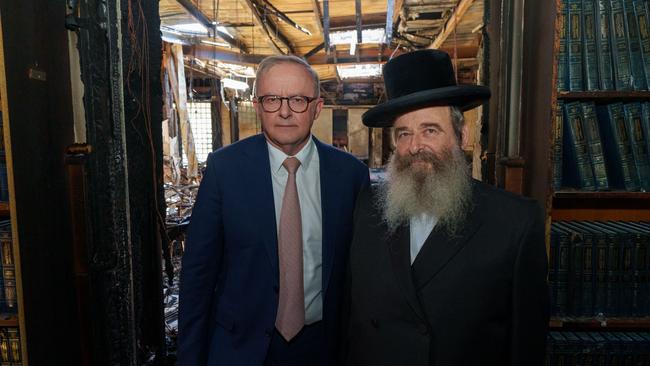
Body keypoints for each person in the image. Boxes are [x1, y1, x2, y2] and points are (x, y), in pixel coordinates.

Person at [343, 49, 549, 365]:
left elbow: (526, 346)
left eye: (430, 130)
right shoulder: (367, 207)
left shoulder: (515, 223)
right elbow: (351, 320)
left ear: (461, 135)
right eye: (404, 133)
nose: (414, 147)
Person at [179, 55, 369, 366]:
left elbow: (361, 273)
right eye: (271, 99)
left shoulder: (349, 175)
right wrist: (190, 357)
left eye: (297, 99)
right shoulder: (224, 170)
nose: (283, 111)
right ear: (257, 106)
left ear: (317, 108)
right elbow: (198, 273)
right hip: (241, 346)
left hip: (323, 347)